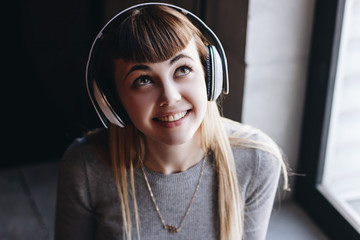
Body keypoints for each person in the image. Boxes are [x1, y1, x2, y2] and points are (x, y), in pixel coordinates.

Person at [55, 3, 288, 240]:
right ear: (113, 102)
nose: (170, 97)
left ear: (210, 75)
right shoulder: (84, 167)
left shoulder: (257, 160)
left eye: (183, 69)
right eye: (143, 80)